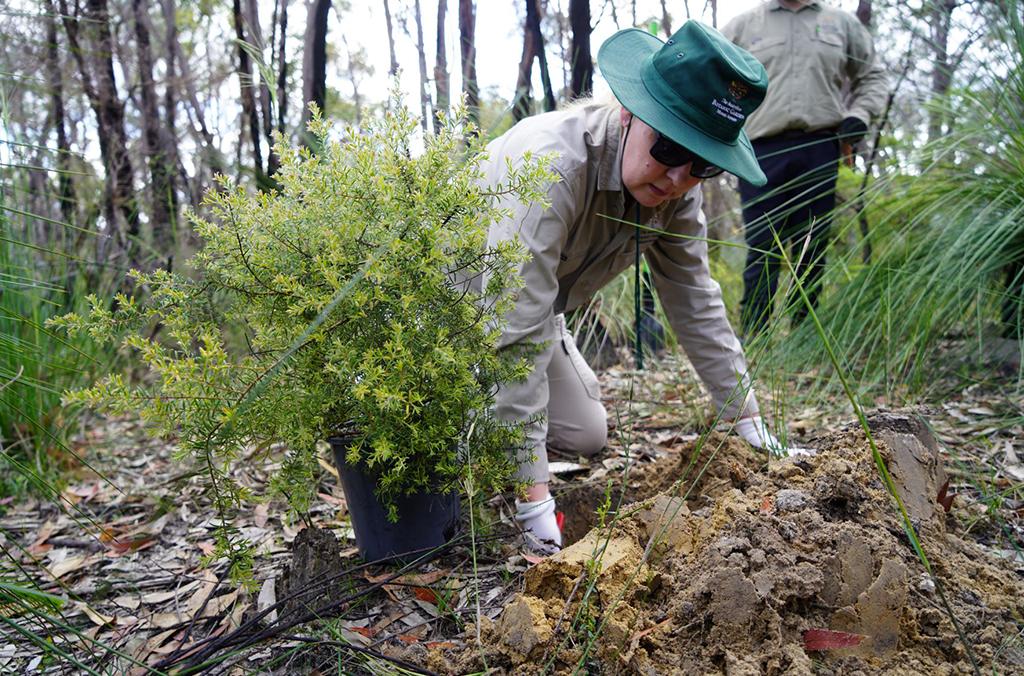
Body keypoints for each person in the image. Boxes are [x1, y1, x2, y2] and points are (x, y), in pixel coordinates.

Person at [480, 21, 804, 556]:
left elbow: (695, 300)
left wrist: (749, 424)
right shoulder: (550, 166)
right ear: (630, 112)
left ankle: (492, 424)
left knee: (586, 435)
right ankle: (466, 424)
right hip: (450, 311)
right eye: (672, 148)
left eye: (702, 164)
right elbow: (511, 329)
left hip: (536, 313)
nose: (678, 177)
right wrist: (533, 502)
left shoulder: (677, 196)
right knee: (466, 425)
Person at [722, 0, 888, 336]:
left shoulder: (839, 22)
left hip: (820, 147)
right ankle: (754, 337)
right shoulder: (743, 25)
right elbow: (711, 74)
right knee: (762, 244)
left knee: (811, 248)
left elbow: (873, 76)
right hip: (759, 150)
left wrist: (860, 114)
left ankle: (805, 336)